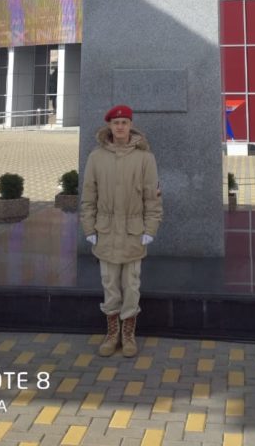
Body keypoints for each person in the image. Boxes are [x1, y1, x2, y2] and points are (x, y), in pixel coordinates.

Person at [80, 104, 163, 357]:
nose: (120, 127)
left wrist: (150, 228)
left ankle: (128, 335)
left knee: (131, 285)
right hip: (105, 232)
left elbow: (152, 197)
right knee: (110, 285)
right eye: (116, 123)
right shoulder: (96, 157)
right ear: (109, 126)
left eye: (124, 123)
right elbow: (88, 196)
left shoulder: (145, 158)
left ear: (130, 126)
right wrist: (89, 227)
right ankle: (112, 333)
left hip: (133, 232)